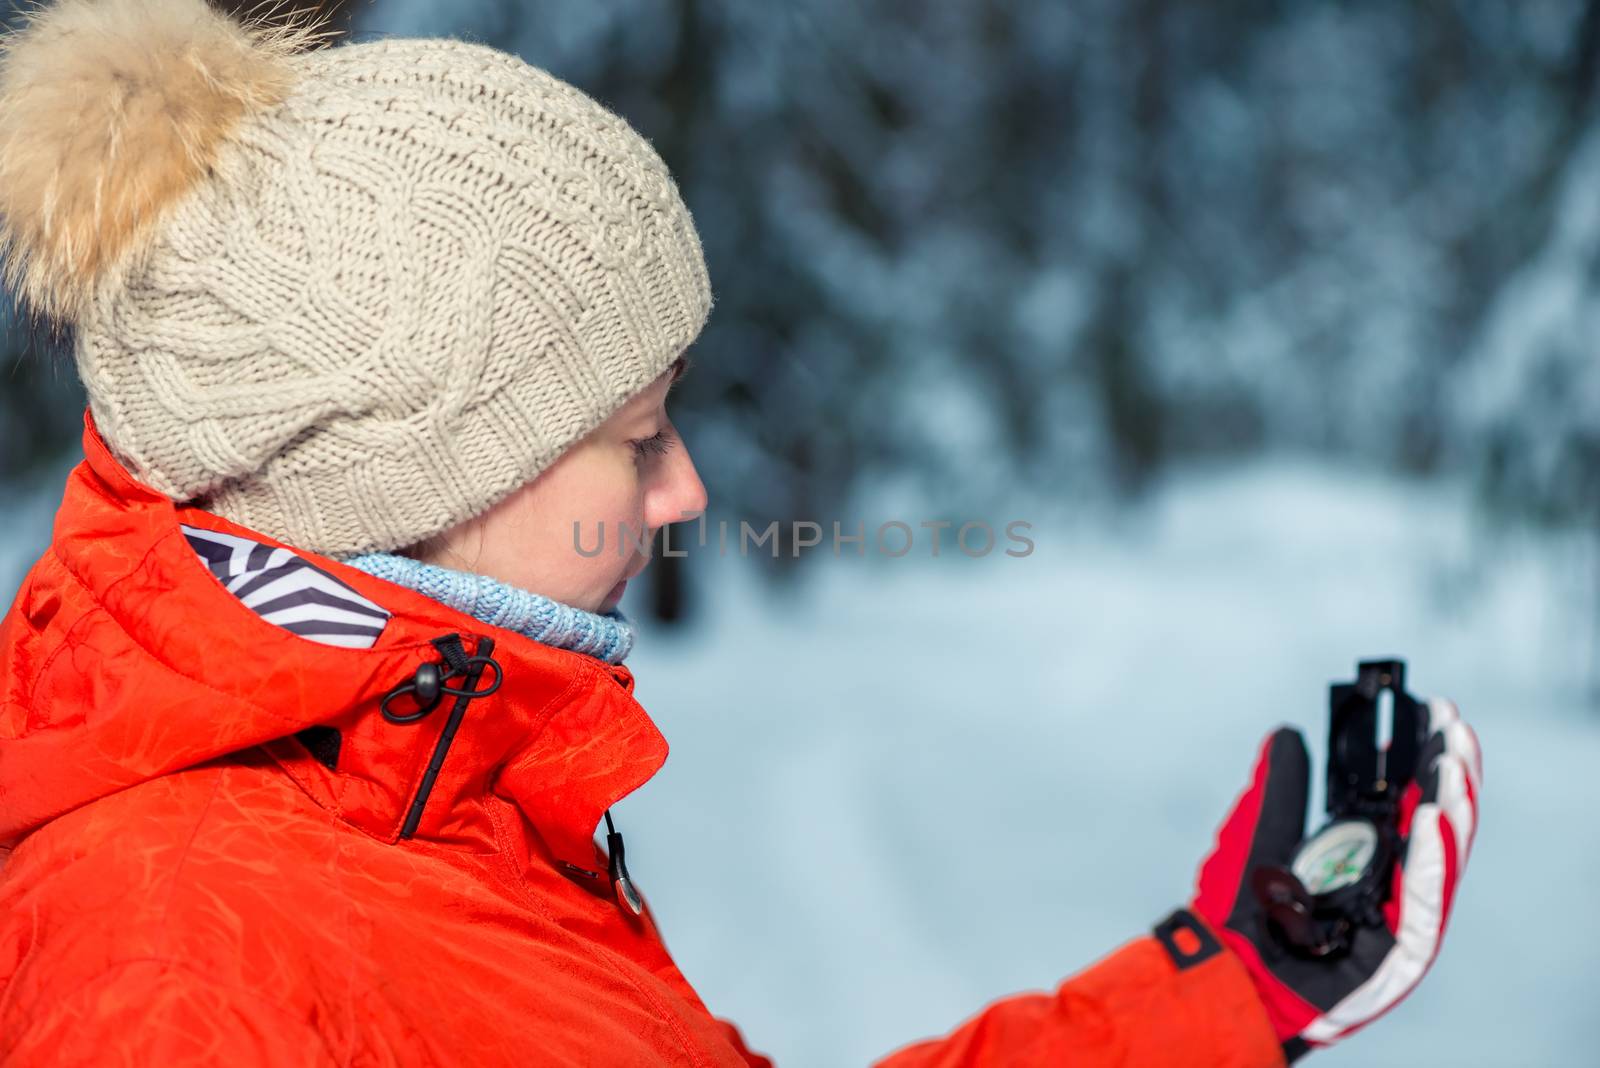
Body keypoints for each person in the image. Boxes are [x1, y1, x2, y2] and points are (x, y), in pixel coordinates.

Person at [0, 1, 1482, 1065]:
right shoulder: (176, 962)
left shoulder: (417, 804)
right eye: (637, 438)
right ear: (401, 477)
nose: (687, 490)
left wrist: (1224, 996)